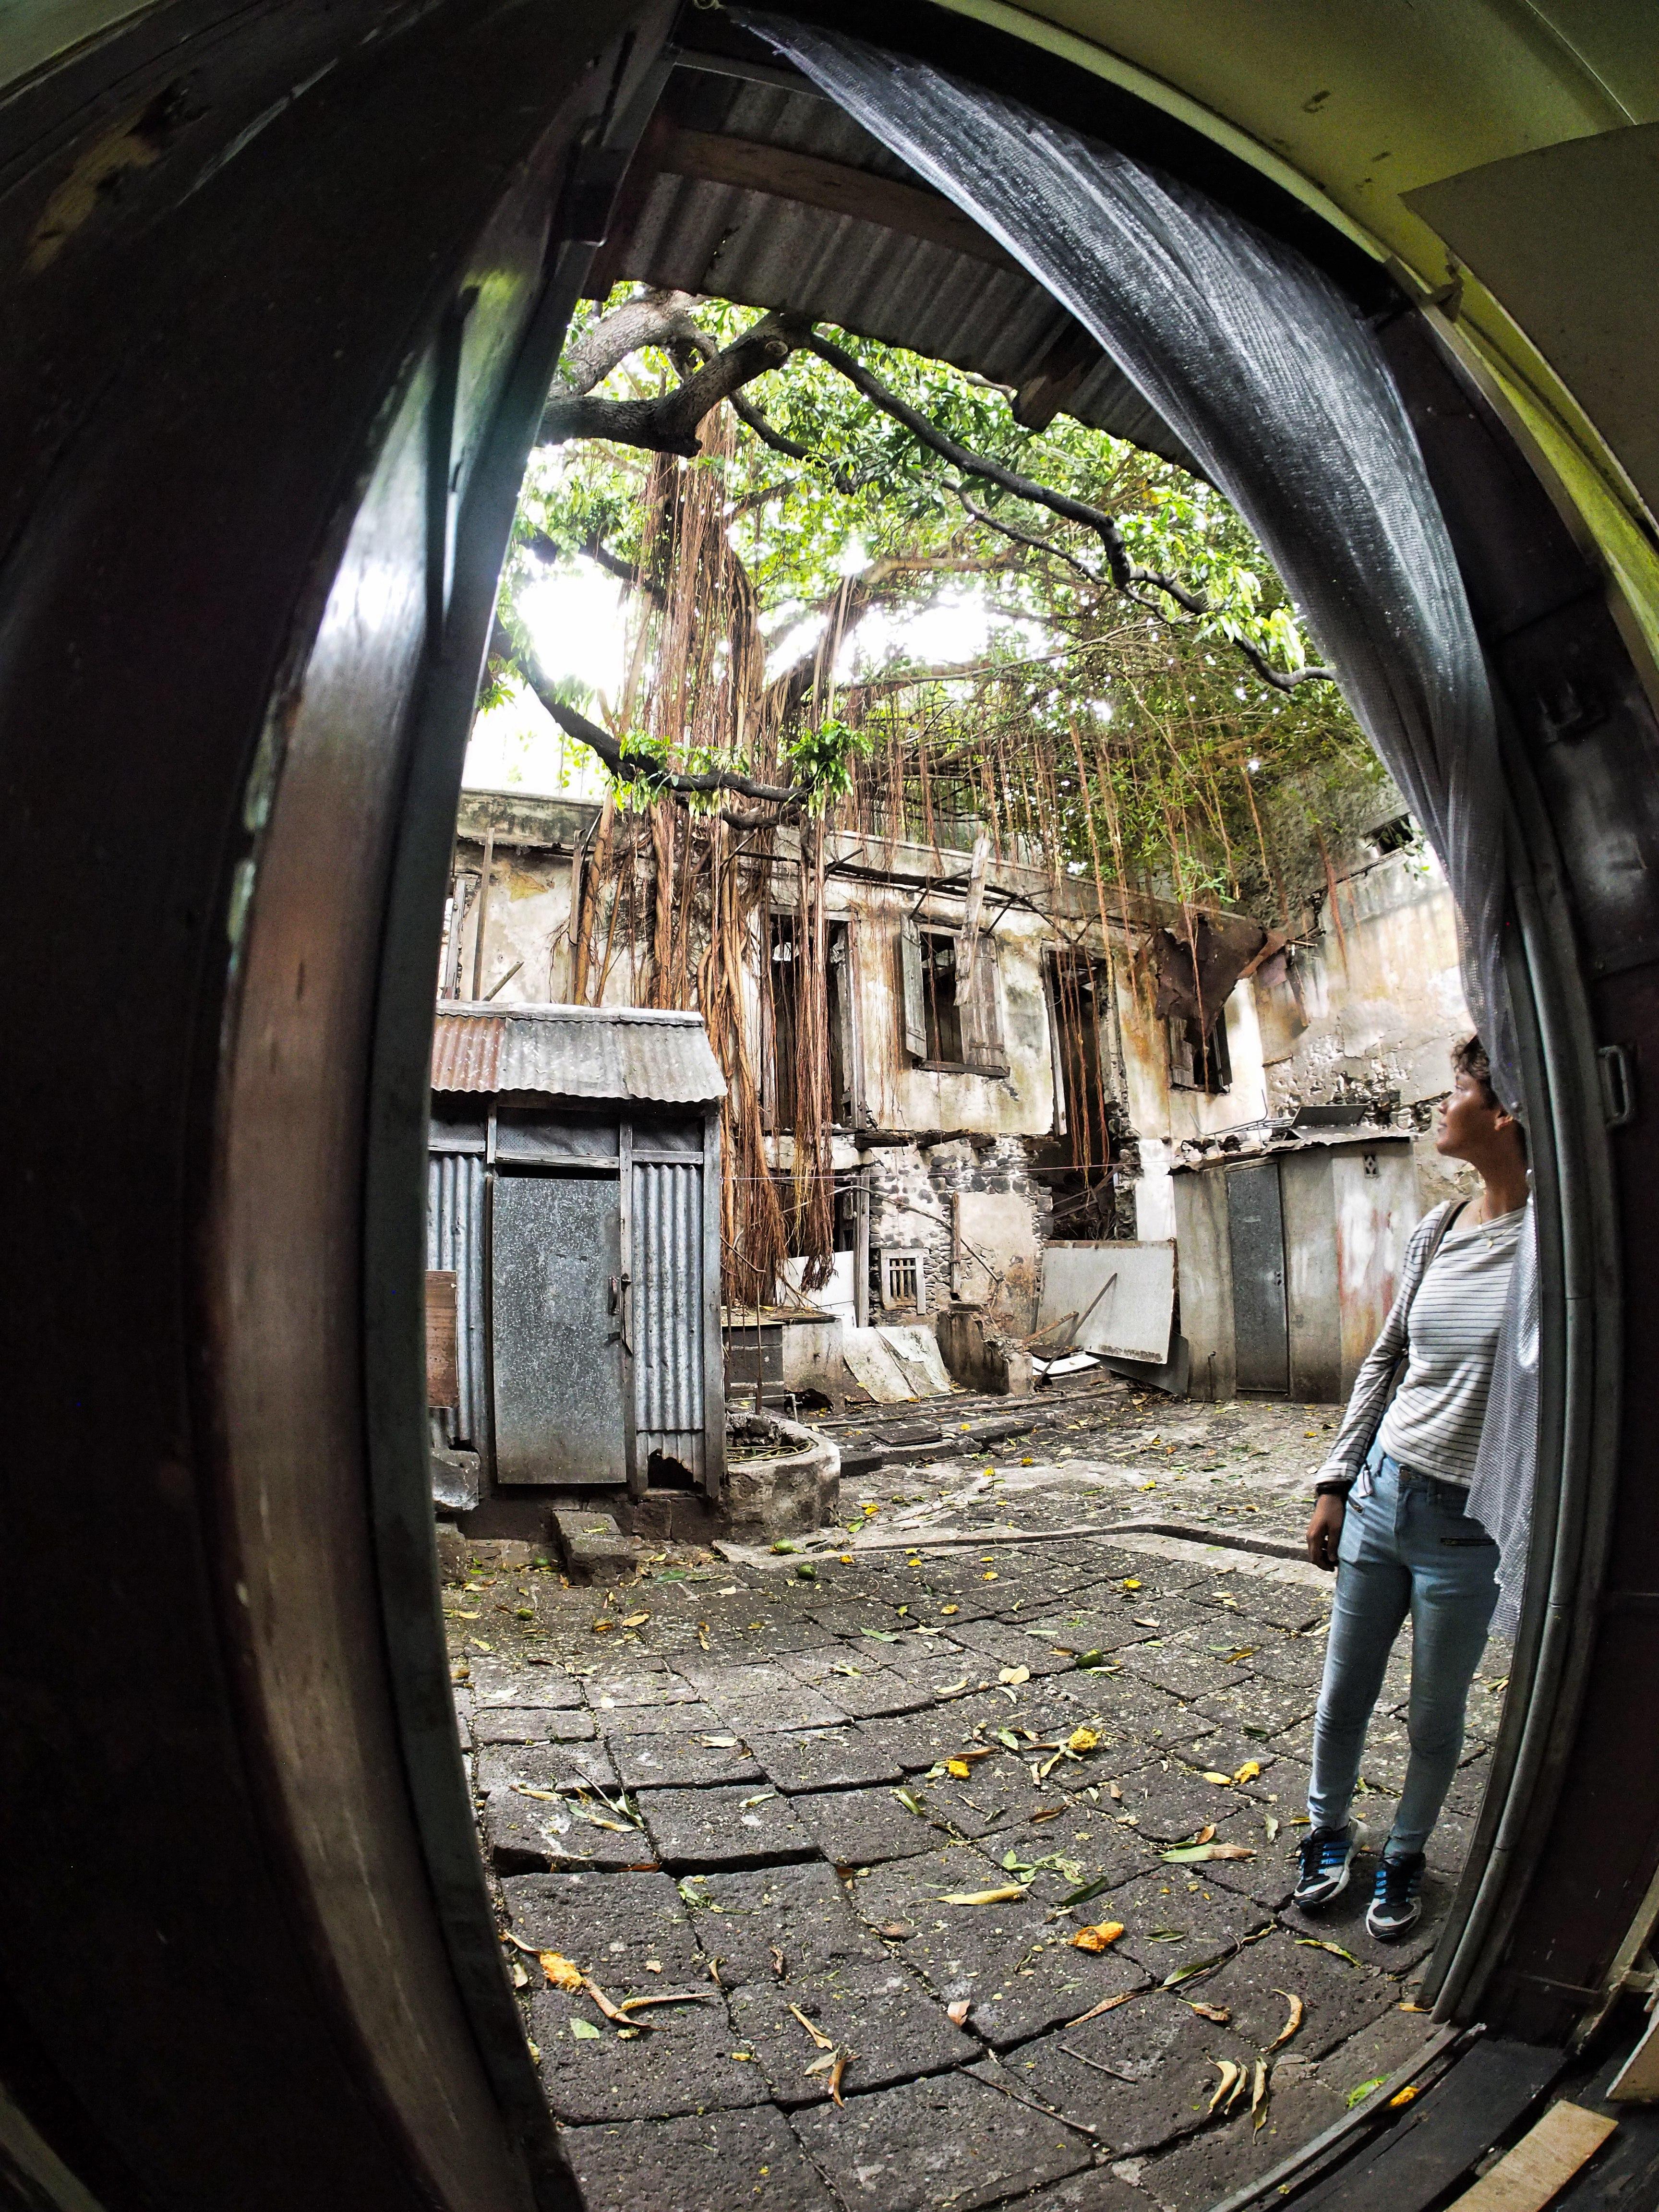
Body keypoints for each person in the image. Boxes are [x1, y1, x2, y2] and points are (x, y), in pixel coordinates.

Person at [1297, 1036, 1530, 1940]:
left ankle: (1405, 1851)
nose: (1441, 1107)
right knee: (1343, 1691)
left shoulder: (1552, 1247)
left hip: (1470, 1529)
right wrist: (1335, 1480)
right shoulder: (1439, 1228)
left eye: (1458, 1091)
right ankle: (1326, 1832)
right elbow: (1387, 1361)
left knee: (1437, 1712)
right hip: (1382, 1497)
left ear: (1502, 1114)